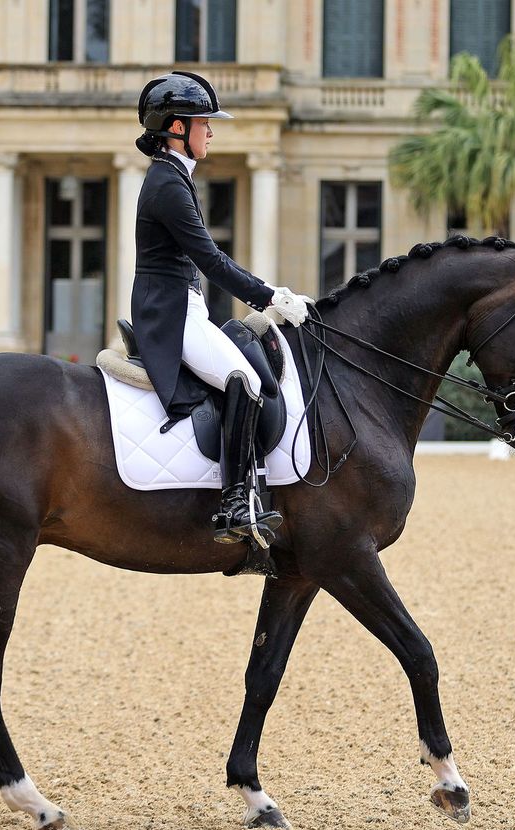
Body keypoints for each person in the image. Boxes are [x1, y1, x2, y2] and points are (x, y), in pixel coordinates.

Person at [131, 71, 315, 545]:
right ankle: (235, 502)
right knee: (245, 381)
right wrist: (271, 296)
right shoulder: (167, 184)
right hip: (171, 313)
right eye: (203, 123)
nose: (210, 131)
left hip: (181, 306)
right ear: (176, 127)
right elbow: (210, 260)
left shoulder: (173, 177)